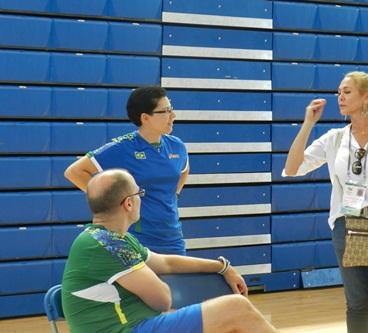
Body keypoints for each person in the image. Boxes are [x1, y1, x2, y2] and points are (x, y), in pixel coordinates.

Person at [283, 71, 368, 333]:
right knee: (356, 304)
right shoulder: (334, 137)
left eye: (347, 92)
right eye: (339, 92)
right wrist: (307, 125)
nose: (340, 97)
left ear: (367, 96)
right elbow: (292, 168)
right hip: (346, 225)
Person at [61, 169, 278, 333]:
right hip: (129, 329)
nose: (140, 198)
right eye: (139, 193)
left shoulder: (112, 239)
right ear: (129, 203)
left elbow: (166, 263)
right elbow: (163, 299)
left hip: (138, 325)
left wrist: (222, 267)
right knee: (235, 307)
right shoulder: (107, 244)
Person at [64, 86, 188, 255]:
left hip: (172, 237)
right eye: (165, 111)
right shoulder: (122, 147)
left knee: (173, 282)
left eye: (171, 109)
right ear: (145, 117)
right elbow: (75, 172)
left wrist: (175, 194)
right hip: (135, 238)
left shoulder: (177, 146)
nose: (172, 116)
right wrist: (112, 203)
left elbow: (183, 171)